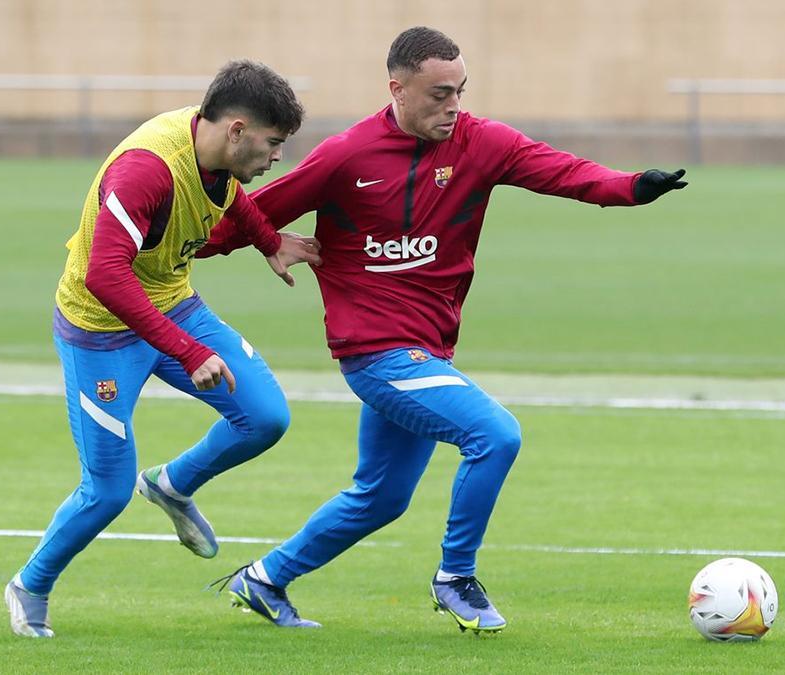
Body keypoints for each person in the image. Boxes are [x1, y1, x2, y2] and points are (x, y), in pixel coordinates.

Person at [199, 27, 687, 633]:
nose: (452, 106)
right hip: (375, 353)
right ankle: (455, 577)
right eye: (437, 94)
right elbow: (242, 217)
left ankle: (264, 579)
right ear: (396, 89)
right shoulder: (346, 156)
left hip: (427, 351)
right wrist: (198, 247)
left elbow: (565, 173)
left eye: (459, 91)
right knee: (496, 436)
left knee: (380, 497)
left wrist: (633, 187)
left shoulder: (482, 143)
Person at [4, 60, 321, 638]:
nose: (278, 156)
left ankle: (172, 484)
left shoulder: (216, 155)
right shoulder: (146, 171)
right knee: (106, 492)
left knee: (265, 418)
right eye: (273, 143)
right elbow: (105, 273)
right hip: (100, 333)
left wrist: (269, 241)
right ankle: (31, 584)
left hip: (174, 308)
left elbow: (229, 197)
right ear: (237, 129)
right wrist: (189, 351)